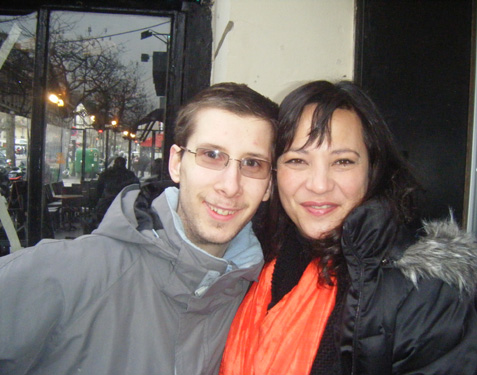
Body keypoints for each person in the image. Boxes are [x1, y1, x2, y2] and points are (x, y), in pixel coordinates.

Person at [0, 82, 278, 375]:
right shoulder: (64, 275)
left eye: (252, 163)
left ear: (269, 184)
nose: (230, 186)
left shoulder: (261, 304)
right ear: (176, 163)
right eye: (211, 155)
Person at [220, 80, 477, 374]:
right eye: (298, 160)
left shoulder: (425, 293)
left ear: (372, 170)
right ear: (275, 173)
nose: (319, 185)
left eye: (343, 162)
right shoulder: (250, 261)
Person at [93, 156, 140, 226]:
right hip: (125, 203)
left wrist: (98, 200)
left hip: (107, 202)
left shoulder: (106, 174)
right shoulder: (130, 175)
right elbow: (136, 187)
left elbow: (99, 189)